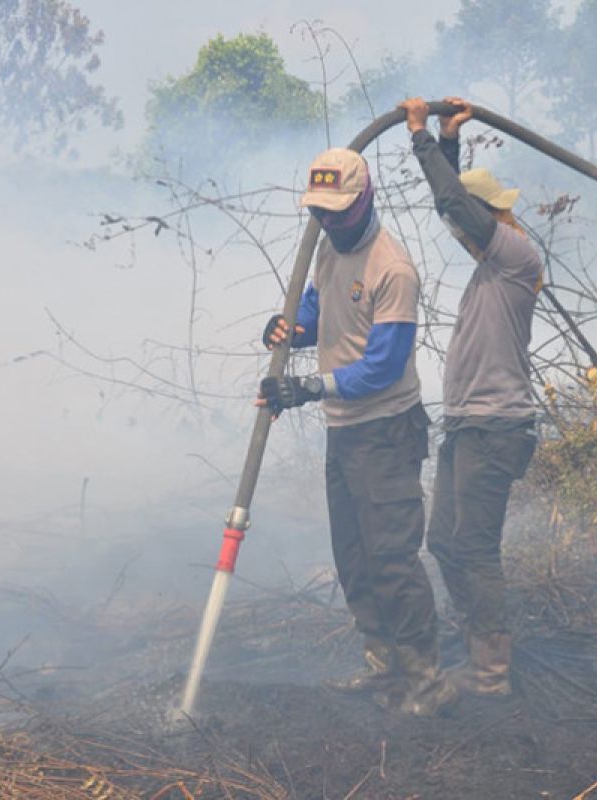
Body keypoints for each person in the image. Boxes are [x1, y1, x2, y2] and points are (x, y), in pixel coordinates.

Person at [257, 147, 456, 716]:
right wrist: (291, 330)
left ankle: (426, 680)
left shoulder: (392, 269)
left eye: (339, 212)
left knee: (392, 557)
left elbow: (384, 365)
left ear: (365, 199)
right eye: (320, 212)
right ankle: (382, 667)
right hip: (344, 432)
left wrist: (311, 387)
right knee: (354, 556)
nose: (330, 222)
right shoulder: (327, 248)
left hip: (386, 432)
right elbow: (319, 314)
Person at [397, 96, 542, 697]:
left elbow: (455, 206)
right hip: (468, 425)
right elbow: (455, 212)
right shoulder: (491, 259)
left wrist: (421, 137)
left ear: (496, 217)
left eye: (477, 219)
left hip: (495, 426)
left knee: (474, 548)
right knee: (443, 542)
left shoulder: (515, 253)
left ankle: (490, 671)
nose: (467, 231)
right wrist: (450, 139)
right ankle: (477, 646)